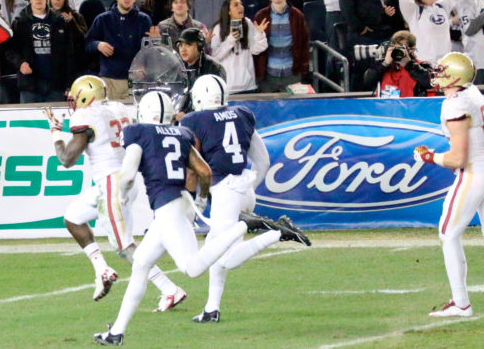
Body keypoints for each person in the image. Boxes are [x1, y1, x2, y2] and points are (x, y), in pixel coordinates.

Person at [91, 90, 277, 345]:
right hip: (181, 202)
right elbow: (204, 171)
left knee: (192, 268)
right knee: (141, 263)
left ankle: (246, 224)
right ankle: (116, 333)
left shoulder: (138, 132)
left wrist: (122, 194)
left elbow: (129, 173)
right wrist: (200, 199)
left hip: (168, 209)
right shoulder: (181, 134)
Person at [47, 77, 186, 309]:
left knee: (125, 248)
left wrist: (54, 134)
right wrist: (64, 127)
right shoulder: (117, 108)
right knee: (73, 218)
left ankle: (170, 289)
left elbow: (66, 159)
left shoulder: (86, 117)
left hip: (112, 185)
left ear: (85, 96)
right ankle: (102, 270)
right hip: (121, 180)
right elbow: (99, 132)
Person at [181, 75, 310, 324]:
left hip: (225, 192)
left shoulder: (195, 120)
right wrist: (249, 186)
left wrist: (196, 199)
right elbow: (262, 160)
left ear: (199, 96)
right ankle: (211, 309)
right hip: (244, 188)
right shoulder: (241, 114)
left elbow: (193, 169)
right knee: (216, 250)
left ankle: (277, 233)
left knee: (221, 258)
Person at [413, 52, 484, 317]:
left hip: (474, 172)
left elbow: (458, 157)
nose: (437, 74)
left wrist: (429, 157)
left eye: (442, 70)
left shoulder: (456, 104)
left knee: (448, 233)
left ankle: (461, 303)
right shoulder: (472, 93)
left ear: (456, 75)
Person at [364, 30, 433, 97]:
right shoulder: (383, 65)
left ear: (412, 49)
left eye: (402, 48)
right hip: (386, 106)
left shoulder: (422, 65)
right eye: (396, 48)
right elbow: (367, 81)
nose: (398, 51)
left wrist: (409, 64)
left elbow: (430, 82)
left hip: (412, 107)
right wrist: (384, 63)